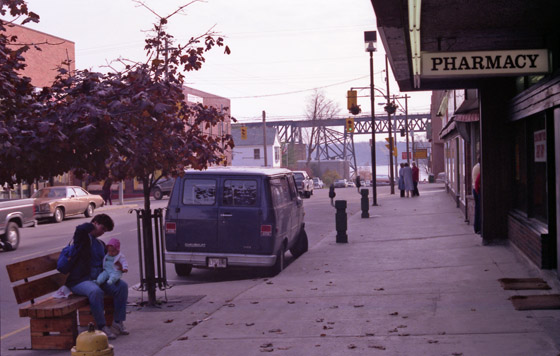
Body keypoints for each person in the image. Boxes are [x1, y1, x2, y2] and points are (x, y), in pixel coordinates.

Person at [65, 214, 129, 339]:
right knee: (95, 291)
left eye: (105, 230)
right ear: (94, 223)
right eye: (102, 228)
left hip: (98, 278)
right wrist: (91, 226)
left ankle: (118, 322)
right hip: (80, 280)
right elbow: (79, 229)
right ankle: (102, 326)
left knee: (122, 286)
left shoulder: (100, 244)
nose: (102, 232)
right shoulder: (82, 239)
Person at [472, 157, 481, 234]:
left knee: (477, 208)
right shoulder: (479, 168)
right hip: (477, 190)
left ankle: (477, 227)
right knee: (479, 209)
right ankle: (478, 227)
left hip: (475, 189)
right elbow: (477, 182)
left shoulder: (475, 167)